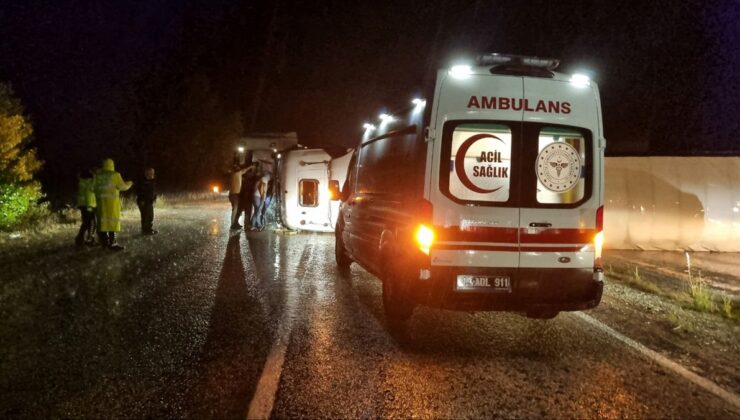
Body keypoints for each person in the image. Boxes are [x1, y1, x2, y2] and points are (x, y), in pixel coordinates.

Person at [93, 158, 133, 250]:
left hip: (101, 203)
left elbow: (92, 188)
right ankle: (113, 243)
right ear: (112, 165)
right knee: (112, 222)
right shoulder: (115, 175)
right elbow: (123, 186)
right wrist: (130, 183)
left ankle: (104, 243)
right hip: (111, 204)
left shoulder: (98, 176)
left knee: (103, 223)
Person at [74, 166, 97, 247]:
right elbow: (88, 194)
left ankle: (85, 239)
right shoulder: (89, 182)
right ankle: (84, 239)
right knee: (92, 223)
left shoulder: (81, 182)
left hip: (83, 205)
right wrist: (89, 206)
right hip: (89, 205)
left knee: (87, 223)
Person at [135, 167, 157, 235]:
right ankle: (145, 230)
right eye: (150, 173)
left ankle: (149, 229)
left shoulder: (152, 181)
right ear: (146, 173)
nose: (152, 174)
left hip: (149, 201)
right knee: (145, 216)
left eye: (153, 173)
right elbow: (139, 191)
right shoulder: (142, 181)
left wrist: (154, 198)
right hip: (143, 202)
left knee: (150, 216)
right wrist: (141, 200)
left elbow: (153, 191)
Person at [229, 163, 251, 229]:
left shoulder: (234, 174)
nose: (239, 169)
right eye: (238, 168)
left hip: (233, 194)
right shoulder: (237, 173)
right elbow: (244, 170)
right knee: (235, 209)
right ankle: (233, 224)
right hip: (234, 194)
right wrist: (250, 166)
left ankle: (235, 223)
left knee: (236, 209)